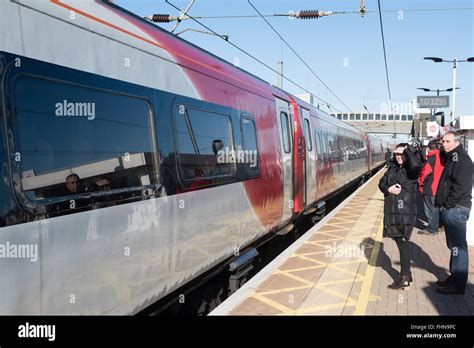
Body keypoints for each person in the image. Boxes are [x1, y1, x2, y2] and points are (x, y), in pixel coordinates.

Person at [378, 143, 420, 290]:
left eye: (402, 154)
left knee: (403, 243)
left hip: (405, 213)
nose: (398, 156)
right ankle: (406, 275)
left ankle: (404, 278)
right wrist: (388, 189)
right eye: (396, 154)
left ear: (408, 155)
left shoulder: (411, 170)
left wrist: (408, 152)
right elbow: (381, 183)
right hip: (392, 211)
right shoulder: (393, 168)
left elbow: (415, 166)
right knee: (401, 242)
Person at [435, 131, 472, 295]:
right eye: (442, 141)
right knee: (454, 247)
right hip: (453, 209)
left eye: (447, 141)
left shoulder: (462, 160)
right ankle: (453, 279)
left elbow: (460, 187)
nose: (444, 144)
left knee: (459, 247)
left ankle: (458, 285)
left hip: (456, 209)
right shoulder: (453, 157)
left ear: (457, 142)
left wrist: (447, 205)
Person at [417, 140, 445, 235]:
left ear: (428, 149)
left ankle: (432, 229)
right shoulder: (442, 157)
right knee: (437, 209)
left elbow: (425, 174)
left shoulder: (431, 158)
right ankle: (439, 226)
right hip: (440, 188)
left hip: (430, 188)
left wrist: (421, 185)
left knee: (430, 209)